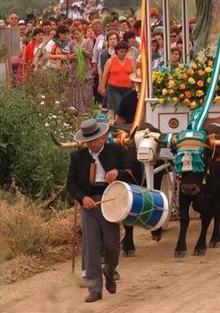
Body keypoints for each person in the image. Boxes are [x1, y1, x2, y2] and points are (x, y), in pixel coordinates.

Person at [66, 119, 135, 303]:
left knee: (113, 245)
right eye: (89, 141)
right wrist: (83, 198)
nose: (93, 143)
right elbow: (70, 184)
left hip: (111, 201)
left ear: (103, 137)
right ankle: (94, 289)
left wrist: (117, 173)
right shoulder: (77, 157)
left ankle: (110, 271)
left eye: (96, 139)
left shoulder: (116, 150)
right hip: (89, 204)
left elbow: (131, 176)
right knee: (92, 247)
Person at [99, 42, 134, 121]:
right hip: (114, 88)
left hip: (128, 88)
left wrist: (135, 87)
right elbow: (105, 74)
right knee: (118, 107)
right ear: (117, 51)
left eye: (125, 51)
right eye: (122, 51)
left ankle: (127, 125)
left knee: (128, 108)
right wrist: (102, 87)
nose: (123, 53)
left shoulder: (130, 61)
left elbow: (133, 75)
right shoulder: (110, 61)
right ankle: (119, 126)